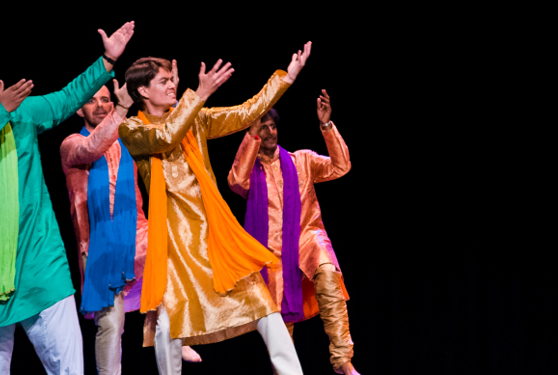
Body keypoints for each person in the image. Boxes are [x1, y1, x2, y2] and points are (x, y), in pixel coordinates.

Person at [0, 22, 134, 375]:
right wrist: (2, 112)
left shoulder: (24, 113)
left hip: (41, 261)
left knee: (70, 369)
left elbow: (69, 96)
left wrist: (107, 59)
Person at [117, 42, 311, 375]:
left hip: (213, 234)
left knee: (264, 306)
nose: (172, 85)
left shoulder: (196, 118)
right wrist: (198, 95)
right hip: (174, 244)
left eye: (171, 79)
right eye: (163, 81)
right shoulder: (132, 129)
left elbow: (246, 112)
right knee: (168, 324)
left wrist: (286, 77)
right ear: (142, 91)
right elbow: (164, 137)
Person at [59, 79, 201, 375]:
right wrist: (121, 109)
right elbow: (92, 147)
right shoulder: (71, 144)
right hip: (98, 243)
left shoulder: (128, 135)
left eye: (106, 99)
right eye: (92, 100)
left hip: (136, 231)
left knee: (171, 264)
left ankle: (177, 333)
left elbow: (165, 131)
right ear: (79, 110)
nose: (100, 105)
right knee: (111, 324)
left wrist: (169, 96)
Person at [227, 91, 359, 375]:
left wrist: (326, 126)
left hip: (307, 237)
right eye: (263, 127)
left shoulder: (302, 160)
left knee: (328, 274)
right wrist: (249, 138)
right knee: (279, 321)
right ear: (255, 132)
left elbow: (341, 166)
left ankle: (343, 360)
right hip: (270, 251)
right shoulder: (251, 173)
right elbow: (235, 181)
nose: (270, 131)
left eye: (273, 126)